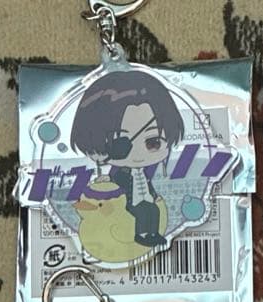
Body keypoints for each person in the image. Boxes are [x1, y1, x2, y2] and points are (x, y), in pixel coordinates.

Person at [71, 71, 184, 248]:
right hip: (125, 204)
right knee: (142, 212)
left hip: (144, 199)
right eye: (118, 145)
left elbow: (147, 184)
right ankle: (142, 235)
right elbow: (115, 188)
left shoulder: (143, 172)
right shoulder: (120, 173)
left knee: (152, 210)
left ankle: (152, 234)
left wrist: (153, 196)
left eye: (153, 143)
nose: (137, 155)